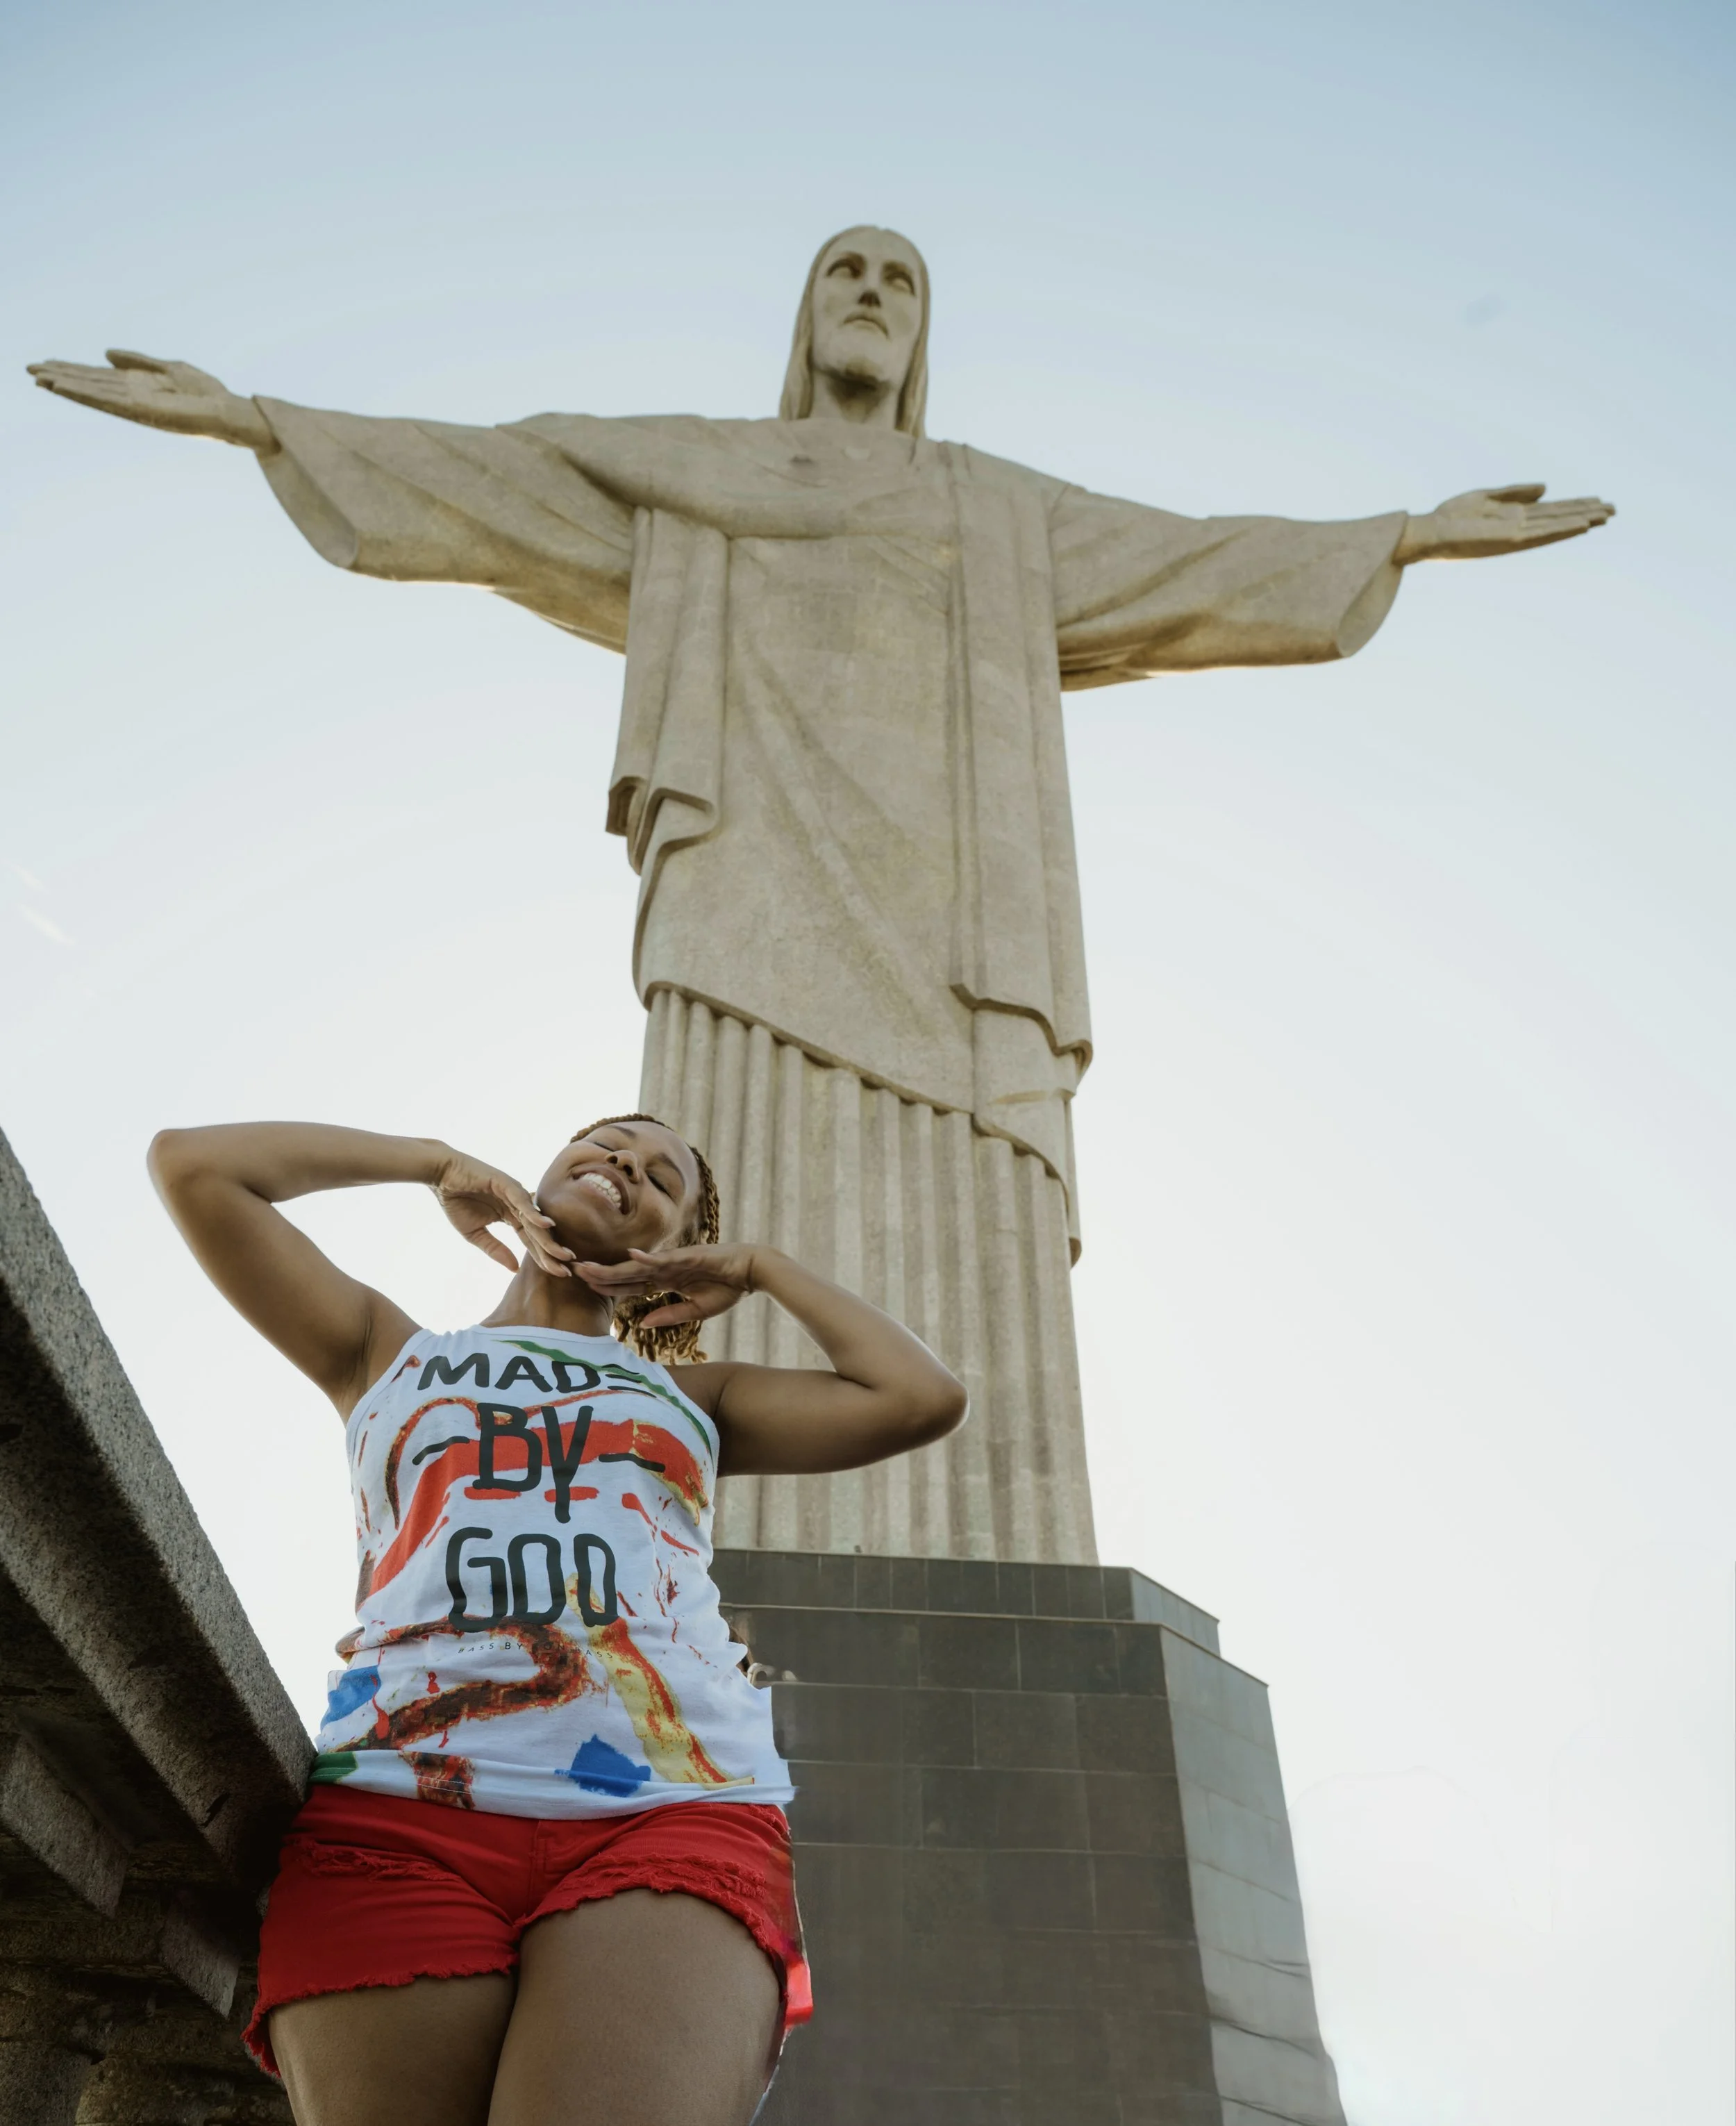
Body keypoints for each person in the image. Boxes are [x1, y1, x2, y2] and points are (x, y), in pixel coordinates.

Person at [148, 1112, 967, 2126]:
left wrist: (758, 1267)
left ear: (670, 1246)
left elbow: (919, 1396)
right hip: (400, 1815)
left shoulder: (694, 1395)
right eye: (608, 1141)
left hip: (670, 1812)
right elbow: (195, 1166)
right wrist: (432, 1164)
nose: (627, 1162)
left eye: (661, 1178)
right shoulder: (381, 1349)